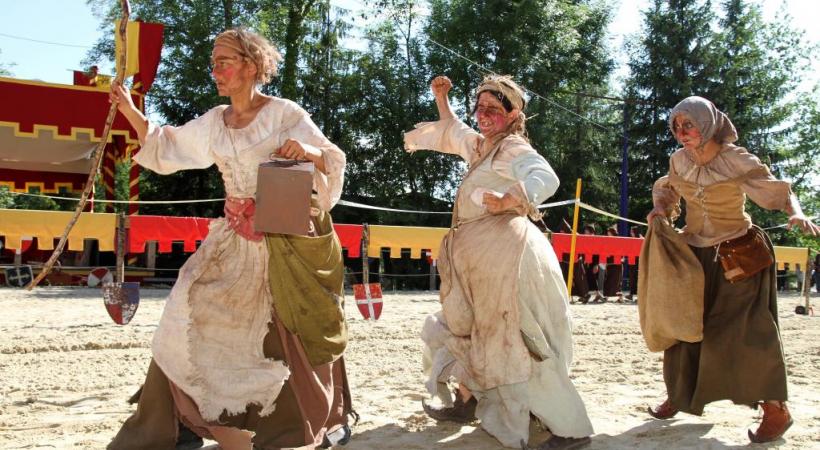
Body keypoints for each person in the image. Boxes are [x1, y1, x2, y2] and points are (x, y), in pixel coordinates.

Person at [107, 28, 352, 450]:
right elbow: (168, 145)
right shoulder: (215, 122)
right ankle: (180, 424)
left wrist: (307, 153)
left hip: (282, 245)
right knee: (184, 310)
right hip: (230, 242)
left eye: (224, 61)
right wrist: (129, 109)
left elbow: (332, 159)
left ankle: (286, 430)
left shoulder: (284, 114)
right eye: (214, 61)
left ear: (251, 67)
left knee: (278, 332)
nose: (215, 70)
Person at [405, 75, 593, 450]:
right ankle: (466, 400)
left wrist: (514, 197)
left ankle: (571, 429)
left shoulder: (511, 148)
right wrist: (442, 98)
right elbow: (453, 131)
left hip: (509, 261)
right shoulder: (481, 147)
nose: (484, 115)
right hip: (481, 264)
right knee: (467, 329)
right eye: (480, 108)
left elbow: (545, 176)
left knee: (518, 339)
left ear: (513, 113)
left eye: (494, 109)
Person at [646, 96, 819, 443]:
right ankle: (679, 396)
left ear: (707, 124)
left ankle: (775, 409)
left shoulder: (735, 158)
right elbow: (668, 189)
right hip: (695, 253)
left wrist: (796, 212)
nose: (682, 133)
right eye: (677, 127)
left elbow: (778, 190)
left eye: (689, 125)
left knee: (748, 329)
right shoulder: (679, 160)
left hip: (739, 253)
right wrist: (661, 210)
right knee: (684, 324)